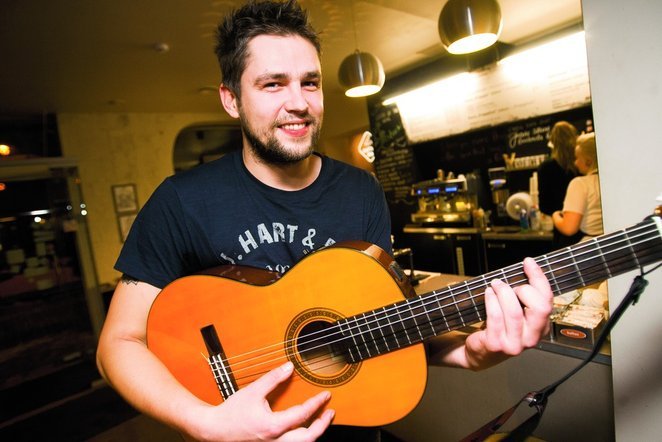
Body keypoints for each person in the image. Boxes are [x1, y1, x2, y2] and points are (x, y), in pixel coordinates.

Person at [96, 1, 553, 441]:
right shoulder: (181, 201)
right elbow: (119, 343)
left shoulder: (361, 191)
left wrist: (469, 354)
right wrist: (206, 424)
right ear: (231, 99)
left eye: (310, 82)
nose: (299, 102)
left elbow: (381, 329)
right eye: (273, 84)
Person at [537, 121, 582, 248]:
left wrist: (557, 214)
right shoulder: (581, 165)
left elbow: (544, 206)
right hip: (585, 228)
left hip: (562, 231)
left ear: (553, 142)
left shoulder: (546, 167)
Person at [552, 132, 603, 241]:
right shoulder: (613, 181)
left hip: (593, 244)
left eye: (577, 158)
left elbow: (568, 228)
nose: (575, 163)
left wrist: (555, 216)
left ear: (588, 161)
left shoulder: (580, 184)